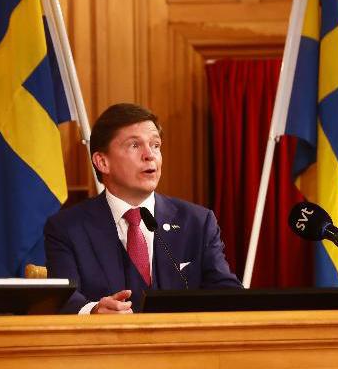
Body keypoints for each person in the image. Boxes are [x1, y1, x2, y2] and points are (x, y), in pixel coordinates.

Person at [45, 104, 241, 314]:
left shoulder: (197, 222)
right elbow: (63, 300)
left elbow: (228, 294)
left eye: (155, 145)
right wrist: (93, 311)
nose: (150, 155)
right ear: (102, 162)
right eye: (134, 145)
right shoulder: (67, 228)